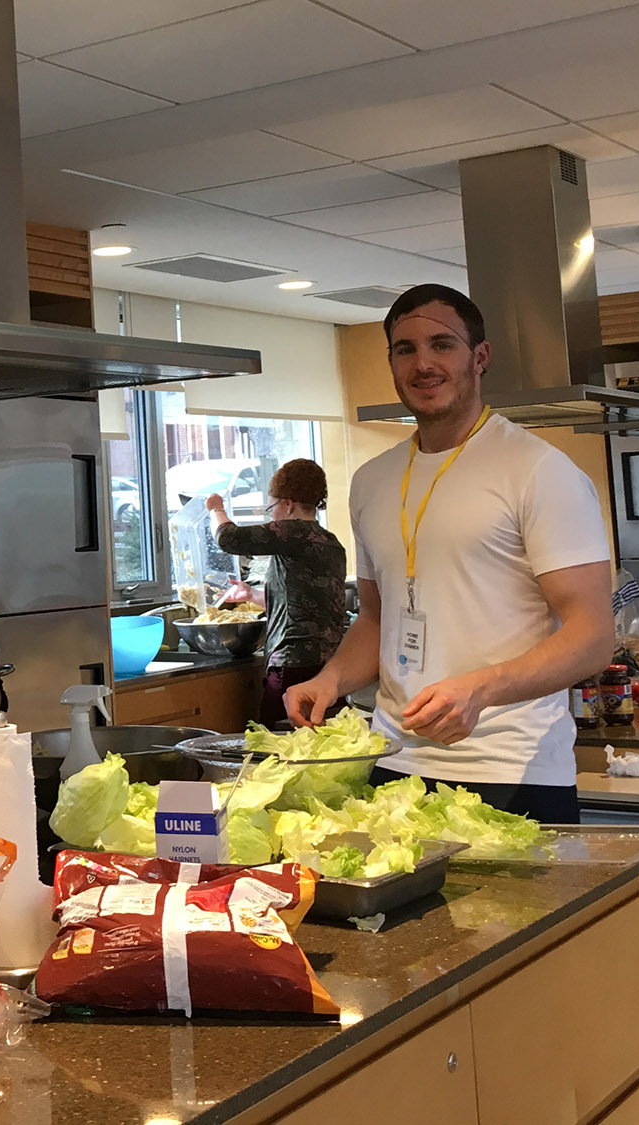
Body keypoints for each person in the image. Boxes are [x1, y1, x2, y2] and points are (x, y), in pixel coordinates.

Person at [282, 284, 614, 822]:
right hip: (393, 765)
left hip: (510, 770)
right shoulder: (372, 480)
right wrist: (331, 680)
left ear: (479, 357)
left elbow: (593, 634)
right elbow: (375, 617)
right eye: (405, 349)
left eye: (442, 344)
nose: (423, 364)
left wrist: (481, 690)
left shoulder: (538, 470)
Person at [204, 457, 347, 728]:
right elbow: (304, 604)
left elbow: (228, 538)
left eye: (272, 507)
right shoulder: (330, 542)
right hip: (331, 667)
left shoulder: (292, 532)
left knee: (276, 746)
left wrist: (216, 508)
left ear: (288, 503)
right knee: (326, 745)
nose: (272, 516)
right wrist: (251, 595)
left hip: (292, 665)